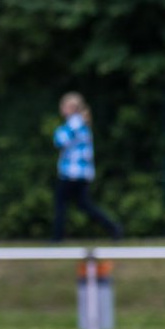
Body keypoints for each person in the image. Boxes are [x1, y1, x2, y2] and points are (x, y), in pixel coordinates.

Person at [51, 92, 122, 243]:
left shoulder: (74, 123)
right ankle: (113, 228)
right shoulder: (82, 123)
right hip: (82, 173)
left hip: (72, 172)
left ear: (71, 107)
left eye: (64, 105)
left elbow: (59, 140)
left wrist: (58, 132)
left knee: (61, 204)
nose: (61, 108)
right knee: (84, 205)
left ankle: (57, 238)